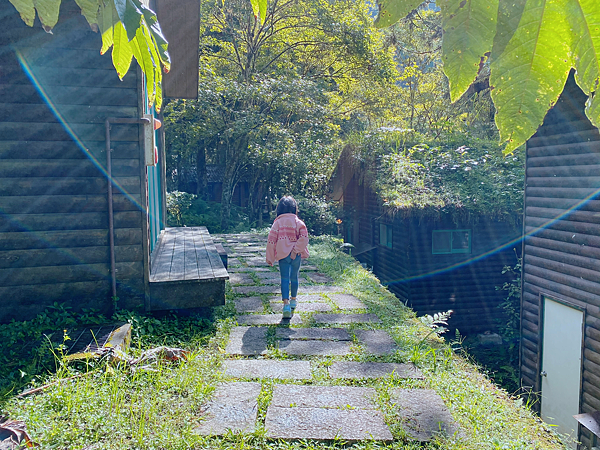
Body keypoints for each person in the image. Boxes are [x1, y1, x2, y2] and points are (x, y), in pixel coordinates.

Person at [266, 196, 309, 318]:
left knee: (284, 279)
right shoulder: (298, 222)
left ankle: (285, 305)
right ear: (294, 208)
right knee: (294, 277)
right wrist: (295, 250)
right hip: (296, 255)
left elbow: (271, 240)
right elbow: (304, 238)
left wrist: (270, 257)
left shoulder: (277, 223)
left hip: (282, 255)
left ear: (279, 209)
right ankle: (293, 300)